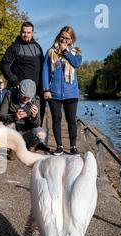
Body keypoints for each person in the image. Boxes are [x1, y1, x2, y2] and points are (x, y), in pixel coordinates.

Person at [42, 26, 82, 156]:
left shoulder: (76, 52)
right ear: (58, 36)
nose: (64, 40)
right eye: (62, 37)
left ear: (72, 40)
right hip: (54, 92)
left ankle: (73, 147)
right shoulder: (50, 52)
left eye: (67, 38)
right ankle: (59, 146)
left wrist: (66, 52)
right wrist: (46, 89)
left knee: (71, 120)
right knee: (56, 119)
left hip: (71, 92)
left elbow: (76, 64)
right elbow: (45, 71)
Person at [0, 22, 46, 123]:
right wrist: (14, 81)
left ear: (32, 33)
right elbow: (4, 64)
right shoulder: (14, 47)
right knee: (20, 121)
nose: (26, 35)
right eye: (24, 32)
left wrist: (45, 87)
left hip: (37, 92)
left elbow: (44, 68)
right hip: (20, 93)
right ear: (20, 32)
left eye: (28, 32)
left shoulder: (38, 47)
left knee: (37, 121)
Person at [0, 79, 49, 155]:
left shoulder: (36, 100)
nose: (26, 99)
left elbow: (37, 124)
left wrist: (34, 116)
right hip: (13, 129)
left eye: (29, 97)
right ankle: (12, 147)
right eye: (23, 95)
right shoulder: (9, 95)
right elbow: (1, 116)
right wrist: (15, 116)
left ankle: (29, 146)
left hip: (27, 130)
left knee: (41, 133)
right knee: (8, 126)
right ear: (19, 91)